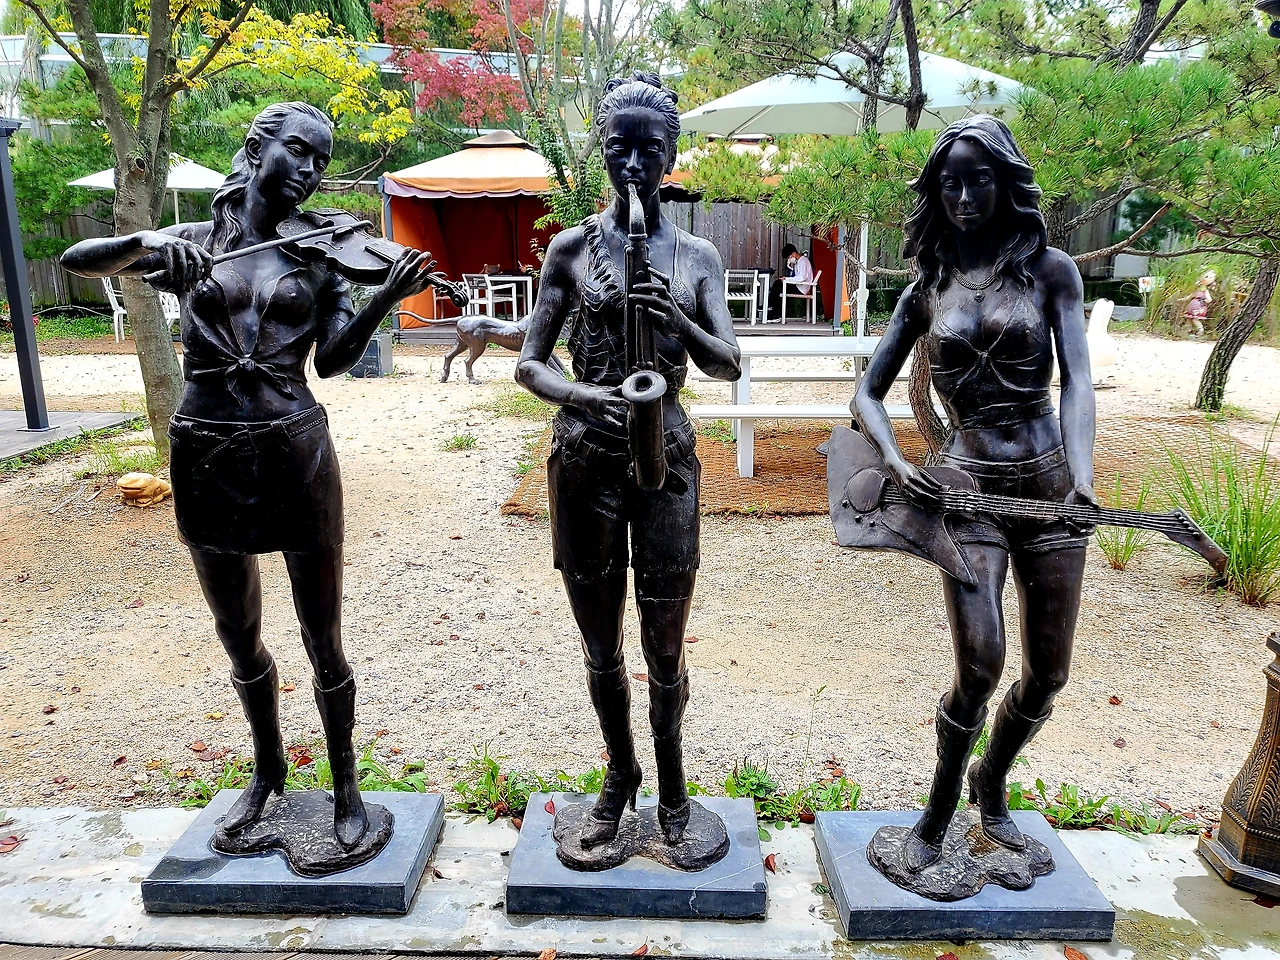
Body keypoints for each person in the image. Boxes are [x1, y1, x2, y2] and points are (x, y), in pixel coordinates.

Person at [60, 102, 436, 853]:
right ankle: (267, 773)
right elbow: (80, 258)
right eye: (298, 150)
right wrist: (146, 243)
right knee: (238, 634)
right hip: (205, 450)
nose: (309, 170)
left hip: (296, 448)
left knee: (323, 635)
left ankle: (347, 784)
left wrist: (383, 300)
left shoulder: (322, 251)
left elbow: (334, 360)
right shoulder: (192, 243)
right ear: (257, 147)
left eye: (321, 160)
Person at [852, 114, 1096, 873]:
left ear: (1005, 183)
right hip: (964, 490)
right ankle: (936, 812)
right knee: (980, 665)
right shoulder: (926, 290)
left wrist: (1083, 477)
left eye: (979, 180)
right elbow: (866, 393)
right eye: (950, 184)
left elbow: (1078, 382)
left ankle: (991, 784)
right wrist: (898, 460)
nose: (962, 197)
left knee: (1048, 673)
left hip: (1051, 484)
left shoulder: (1051, 271)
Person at [516, 73, 741, 853]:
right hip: (587, 455)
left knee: (665, 644)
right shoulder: (571, 248)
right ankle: (621, 774)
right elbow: (531, 362)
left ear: (671, 155)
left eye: (651, 150)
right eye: (621, 149)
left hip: (665, 456)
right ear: (603, 152)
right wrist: (584, 395)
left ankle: (673, 781)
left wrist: (675, 314)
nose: (636, 164)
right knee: (600, 641)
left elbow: (727, 363)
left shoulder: (698, 255)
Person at [767, 243, 814, 320]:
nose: (789, 259)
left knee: (778, 285)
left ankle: (771, 309)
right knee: (778, 284)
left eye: (789, 257)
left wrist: (786, 279)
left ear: (794, 254)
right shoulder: (798, 262)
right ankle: (771, 308)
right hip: (799, 285)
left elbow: (802, 278)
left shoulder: (803, 261)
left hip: (801, 288)